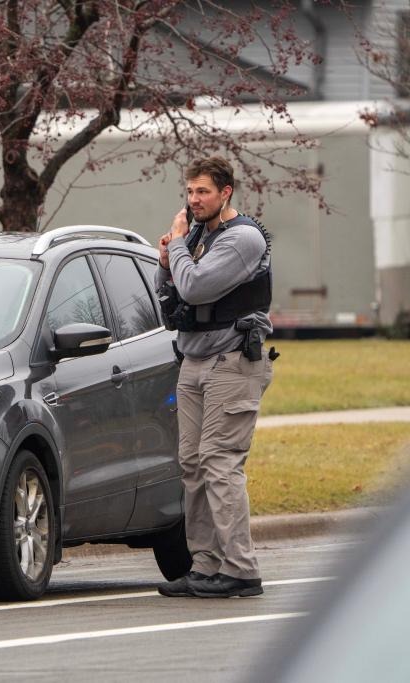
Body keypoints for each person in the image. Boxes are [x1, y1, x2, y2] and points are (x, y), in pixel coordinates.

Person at [154, 156, 276, 599]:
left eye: (202, 191)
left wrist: (180, 247)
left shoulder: (242, 238)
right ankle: (204, 566)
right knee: (192, 465)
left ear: (225, 192)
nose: (193, 200)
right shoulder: (198, 235)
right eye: (189, 192)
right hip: (193, 361)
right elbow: (171, 297)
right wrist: (166, 260)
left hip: (232, 363)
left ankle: (241, 569)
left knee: (219, 463)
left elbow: (197, 288)